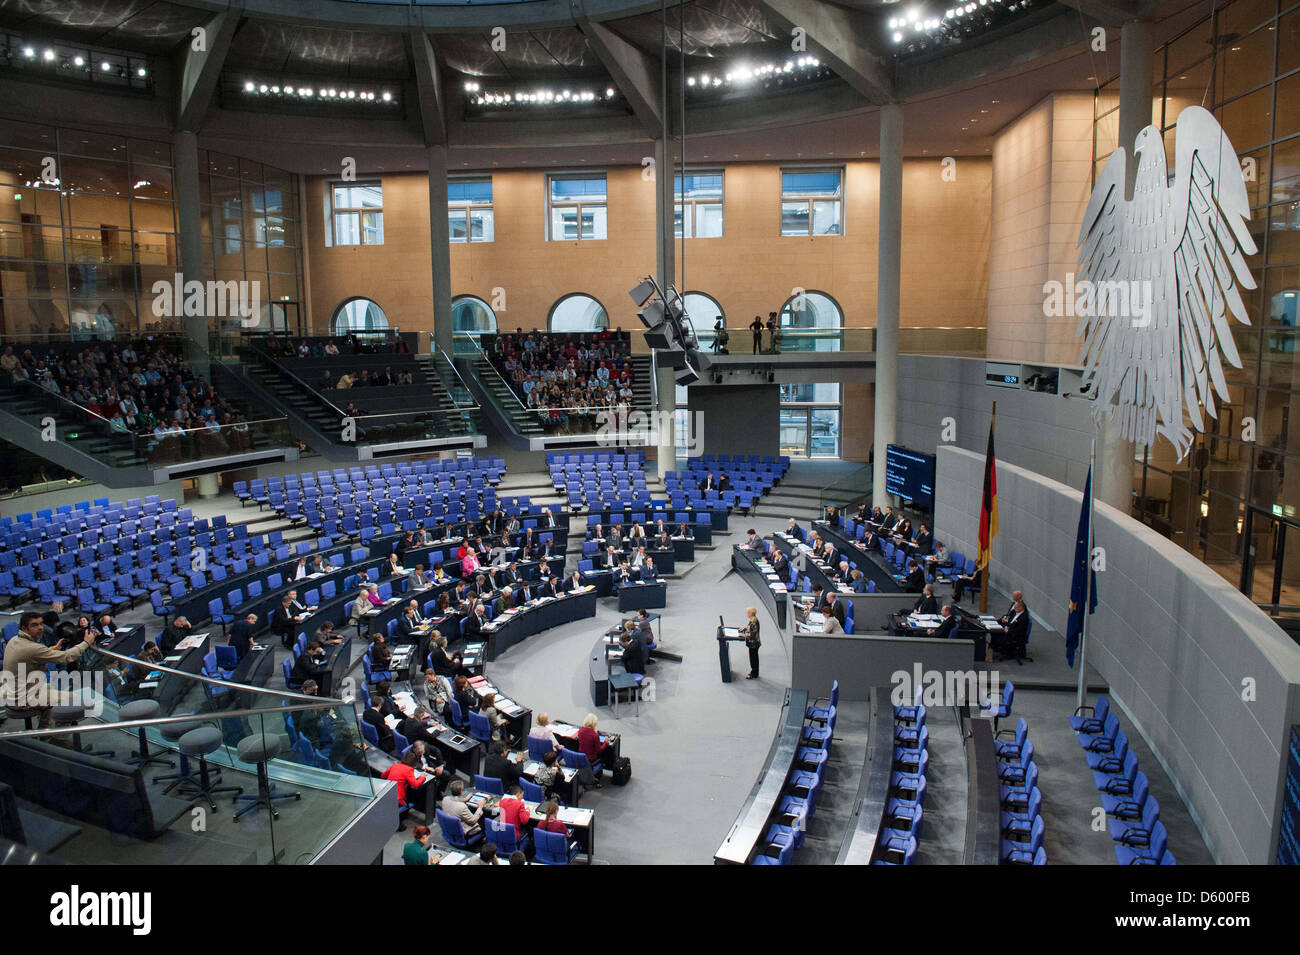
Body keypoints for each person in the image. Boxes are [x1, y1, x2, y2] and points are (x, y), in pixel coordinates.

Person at [0, 612, 96, 725]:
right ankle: (60, 737)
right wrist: (86, 643)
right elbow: (67, 657)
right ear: (24, 628)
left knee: (51, 690)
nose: (40, 628)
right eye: (34, 625)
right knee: (73, 699)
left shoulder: (14, 640)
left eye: (41, 624)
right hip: (22, 698)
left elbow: (34, 655)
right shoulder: (32, 648)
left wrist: (53, 649)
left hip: (13, 692)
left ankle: (46, 732)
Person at [383, 749, 437, 820]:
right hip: (398, 799)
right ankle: (401, 819)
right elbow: (415, 784)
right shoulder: (408, 770)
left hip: (386, 794)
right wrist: (422, 777)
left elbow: (383, 775)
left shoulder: (395, 765)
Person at [576, 713, 614, 785]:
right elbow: (599, 750)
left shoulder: (580, 731)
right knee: (604, 756)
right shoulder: (595, 735)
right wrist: (606, 743)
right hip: (591, 759)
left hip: (581, 756)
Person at [742, 606, 761, 679]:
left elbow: (751, 635)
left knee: (753, 660)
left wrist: (742, 635)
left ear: (750, 613)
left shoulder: (753, 622)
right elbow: (751, 628)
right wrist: (745, 628)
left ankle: (754, 674)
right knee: (754, 658)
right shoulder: (753, 619)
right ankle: (754, 672)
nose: (747, 614)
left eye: (747, 612)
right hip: (754, 643)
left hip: (753, 644)